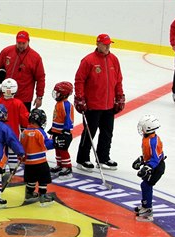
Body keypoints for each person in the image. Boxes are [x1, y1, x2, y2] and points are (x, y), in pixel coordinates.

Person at [74, 33, 125, 172]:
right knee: (90, 132)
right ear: (98, 44)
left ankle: (103, 158)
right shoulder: (88, 60)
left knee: (107, 132)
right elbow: (79, 80)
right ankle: (82, 158)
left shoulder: (114, 59)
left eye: (109, 43)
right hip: (93, 105)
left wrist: (120, 96)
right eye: (105, 44)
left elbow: (118, 80)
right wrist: (80, 97)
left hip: (109, 105)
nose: (108, 46)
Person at [0, 78, 29, 173]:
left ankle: (1, 168)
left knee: (1, 151)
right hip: (13, 133)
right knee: (12, 151)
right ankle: (12, 169)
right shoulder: (18, 103)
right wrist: (24, 126)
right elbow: (25, 118)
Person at [0, 30, 45, 111]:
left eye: (23, 43)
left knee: (22, 122)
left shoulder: (35, 58)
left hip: (24, 99)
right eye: (19, 43)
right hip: (6, 95)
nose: (21, 45)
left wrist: (39, 96)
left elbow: (40, 78)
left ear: (28, 42)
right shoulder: (6, 52)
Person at [132, 115, 166, 222]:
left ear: (148, 128)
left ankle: (148, 209)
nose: (141, 129)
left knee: (146, 184)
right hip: (152, 166)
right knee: (145, 184)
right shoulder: (147, 138)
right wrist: (141, 160)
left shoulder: (153, 141)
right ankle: (145, 206)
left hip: (157, 167)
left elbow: (156, 158)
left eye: (143, 127)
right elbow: (149, 155)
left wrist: (147, 168)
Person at [21, 109, 54, 205]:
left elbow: (21, 147)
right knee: (43, 179)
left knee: (31, 179)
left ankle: (29, 194)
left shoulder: (24, 132)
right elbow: (47, 144)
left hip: (28, 163)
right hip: (40, 162)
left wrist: (21, 157)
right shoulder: (40, 132)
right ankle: (43, 196)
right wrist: (55, 142)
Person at [48, 81, 75, 179]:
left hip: (64, 133)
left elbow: (68, 119)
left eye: (58, 93)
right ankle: (59, 165)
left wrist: (66, 131)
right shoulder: (59, 104)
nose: (56, 94)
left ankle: (67, 168)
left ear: (64, 94)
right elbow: (57, 117)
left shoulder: (67, 105)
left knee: (63, 150)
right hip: (57, 132)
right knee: (57, 149)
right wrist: (53, 129)